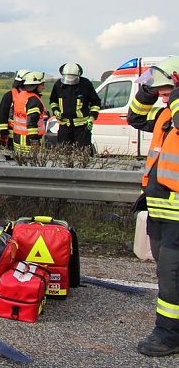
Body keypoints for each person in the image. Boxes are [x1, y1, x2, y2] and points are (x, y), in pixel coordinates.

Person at [127, 56, 179, 357]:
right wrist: (146, 92)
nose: (162, 93)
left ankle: (168, 336)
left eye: (164, 87)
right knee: (167, 274)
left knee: (172, 278)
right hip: (162, 212)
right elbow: (135, 119)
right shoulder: (165, 114)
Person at [49, 63, 101, 149]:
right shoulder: (58, 85)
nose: (70, 81)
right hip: (65, 126)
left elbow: (96, 103)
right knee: (63, 154)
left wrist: (91, 118)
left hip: (82, 128)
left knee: (82, 155)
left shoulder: (85, 84)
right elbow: (53, 101)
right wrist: (56, 111)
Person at [11, 71, 47, 153]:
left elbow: (13, 114)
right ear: (36, 85)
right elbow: (32, 122)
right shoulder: (33, 100)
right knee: (31, 164)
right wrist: (34, 141)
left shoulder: (20, 96)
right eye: (42, 85)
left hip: (17, 139)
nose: (43, 87)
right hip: (29, 142)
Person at [0, 69, 28, 149]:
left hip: (27, 136)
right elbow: (3, 114)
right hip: (12, 135)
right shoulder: (9, 96)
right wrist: (4, 132)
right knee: (10, 158)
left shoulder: (32, 97)